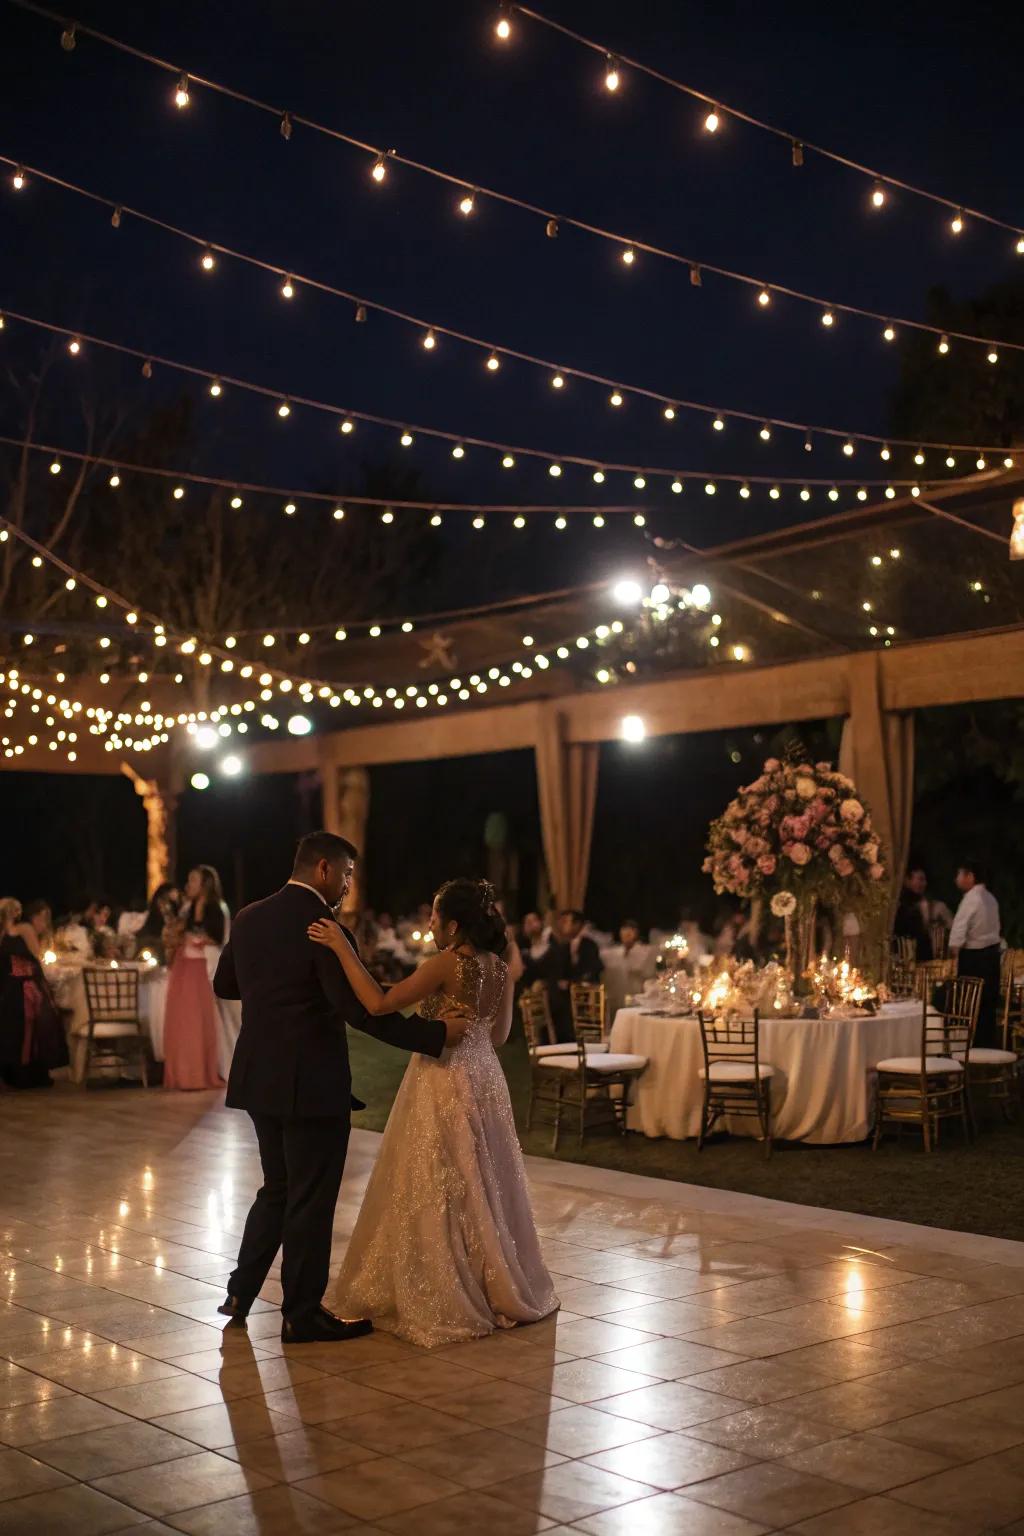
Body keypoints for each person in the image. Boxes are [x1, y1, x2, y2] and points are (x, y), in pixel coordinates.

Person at [213, 832, 468, 1345]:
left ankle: (240, 1294)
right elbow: (362, 1011)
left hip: (259, 1075)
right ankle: (302, 1315)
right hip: (311, 1082)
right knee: (310, 1198)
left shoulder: (248, 917)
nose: (349, 887)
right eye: (348, 875)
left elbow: (225, 984)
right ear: (325, 869)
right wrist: (437, 1034)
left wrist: (273, 990)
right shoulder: (324, 928)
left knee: (278, 1188)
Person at [309, 876, 558, 1348]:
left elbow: (379, 1002)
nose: (430, 925)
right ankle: (493, 1280)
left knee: (438, 1176)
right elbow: (500, 1035)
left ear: (454, 924)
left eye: (434, 918)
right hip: (485, 1076)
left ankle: (446, 1283)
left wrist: (343, 950)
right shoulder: (500, 969)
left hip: (443, 1075)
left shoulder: (446, 964)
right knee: (483, 1179)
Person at [163, 866, 229, 1091]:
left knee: (200, 1018)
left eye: (192, 881)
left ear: (205, 885)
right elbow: (177, 933)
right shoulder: (187, 908)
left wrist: (196, 939)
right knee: (183, 1018)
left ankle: (202, 1071)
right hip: (187, 964)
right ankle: (183, 1072)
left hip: (206, 968)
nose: (187, 885)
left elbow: (218, 939)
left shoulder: (217, 909)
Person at [0, 899, 68, 1089]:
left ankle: (28, 1073)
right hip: (14, 985)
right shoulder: (10, 931)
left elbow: (36, 954)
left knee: (29, 1027)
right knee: (16, 1028)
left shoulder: (22, 929)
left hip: (26, 983)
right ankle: (16, 1073)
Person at [950, 859, 1002, 1048]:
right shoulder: (990, 898)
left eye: (959, 874)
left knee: (970, 1006)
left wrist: (954, 951)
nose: (957, 879)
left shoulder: (972, 898)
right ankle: (987, 1048)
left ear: (969, 877)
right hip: (992, 958)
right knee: (987, 1008)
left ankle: (969, 1050)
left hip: (974, 959)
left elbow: (959, 929)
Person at [550, 908, 603, 1043]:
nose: (563, 925)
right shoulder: (563, 946)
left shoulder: (589, 945)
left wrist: (573, 983)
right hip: (566, 994)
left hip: (585, 993)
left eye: (566, 922)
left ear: (577, 924)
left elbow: (593, 969)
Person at [895, 866, 954, 961]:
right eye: (920, 879)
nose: (924, 884)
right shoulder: (899, 907)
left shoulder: (932, 906)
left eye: (925, 880)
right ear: (907, 880)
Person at [133, 882, 182, 964]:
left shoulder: (181, 925)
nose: (167, 906)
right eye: (163, 900)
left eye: (172, 902)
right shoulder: (146, 930)